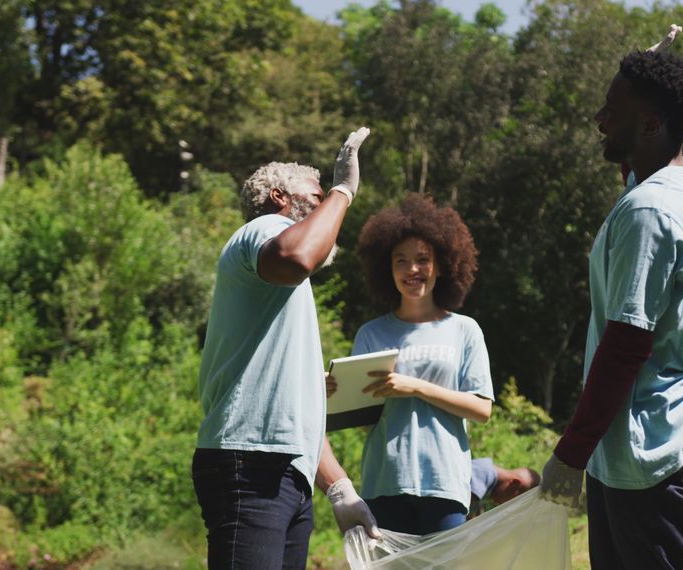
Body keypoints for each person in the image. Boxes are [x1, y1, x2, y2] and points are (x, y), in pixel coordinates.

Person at [538, 43, 683, 569]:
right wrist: (645, 82)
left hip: (646, 455)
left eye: (611, 110)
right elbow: (659, 169)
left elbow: (625, 344)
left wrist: (571, 452)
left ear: (648, 125)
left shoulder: (649, 211)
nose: (598, 121)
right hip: (661, 436)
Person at [191, 128, 381, 569]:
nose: (324, 208)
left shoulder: (287, 298)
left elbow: (295, 414)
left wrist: (339, 488)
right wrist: (343, 190)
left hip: (285, 473)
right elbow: (299, 256)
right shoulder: (262, 231)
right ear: (279, 197)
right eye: (314, 198)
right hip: (249, 466)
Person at [339, 194, 494, 535]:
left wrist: (416, 387)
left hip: (445, 482)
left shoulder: (464, 330)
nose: (412, 270)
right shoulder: (370, 333)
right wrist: (337, 392)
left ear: (441, 265)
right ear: (387, 269)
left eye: (423, 259)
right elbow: (361, 417)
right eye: (401, 261)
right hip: (384, 480)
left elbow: (482, 409)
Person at [468, 457, 541, 517]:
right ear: (514, 483)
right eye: (515, 499)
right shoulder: (483, 474)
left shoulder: (485, 484)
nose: (509, 504)